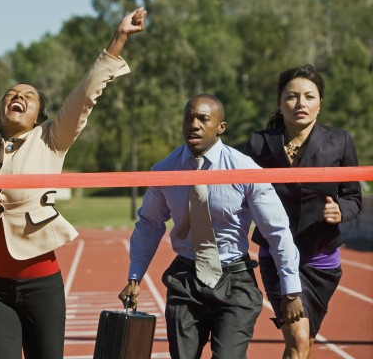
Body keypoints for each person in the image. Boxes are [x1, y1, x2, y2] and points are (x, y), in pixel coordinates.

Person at [0, 0, 147, 359]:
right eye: (12, 94)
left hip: (42, 286)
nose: (17, 97)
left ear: (40, 113)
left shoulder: (51, 139)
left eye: (28, 96)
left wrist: (119, 38)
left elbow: (85, 95)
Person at [119, 94, 304, 359]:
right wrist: (135, 276)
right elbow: (150, 223)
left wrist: (290, 288)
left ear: (221, 127)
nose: (194, 124)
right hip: (185, 280)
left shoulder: (245, 170)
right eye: (188, 118)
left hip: (234, 280)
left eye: (203, 119)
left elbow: (277, 231)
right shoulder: (164, 170)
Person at [244, 64, 362, 359]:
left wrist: (340, 211)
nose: (301, 104)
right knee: (298, 340)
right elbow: (235, 191)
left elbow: (353, 197)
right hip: (278, 255)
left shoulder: (341, 141)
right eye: (292, 96)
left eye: (309, 97)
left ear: (320, 103)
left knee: (303, 343)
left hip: (320, 258)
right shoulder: (258, 144)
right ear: (280, 102)